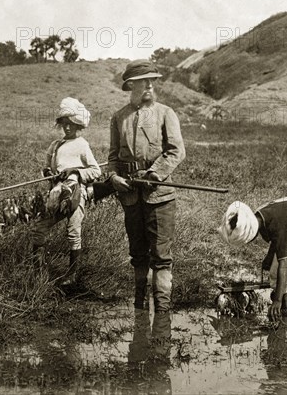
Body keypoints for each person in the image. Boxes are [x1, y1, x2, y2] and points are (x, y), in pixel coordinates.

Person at [108, 59, 186, 313]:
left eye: (153, 80)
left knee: (161, 256)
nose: (151, 85)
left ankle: (162, 313)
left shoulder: (165, 113)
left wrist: (154, 174)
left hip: (160, 195)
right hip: (131, 197)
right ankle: (140, 307)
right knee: (138, 254)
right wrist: (113, 178)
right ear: (131, 84)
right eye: (145, 81)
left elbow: (176, 151)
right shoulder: (118, 118)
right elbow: (112, 158)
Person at [30, 97, 101, 286]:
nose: (67, 127)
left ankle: (72, 275)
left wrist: (75, 171)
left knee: (73, 231)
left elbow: (96, 170)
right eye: (64, 123)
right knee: (39, 227)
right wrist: (49, 173)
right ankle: (38, 273)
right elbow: (46, 168)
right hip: (56, 192)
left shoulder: (82, 145)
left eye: (71, 124)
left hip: (76, 193)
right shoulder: (55, 145)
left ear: (78, 125)